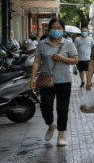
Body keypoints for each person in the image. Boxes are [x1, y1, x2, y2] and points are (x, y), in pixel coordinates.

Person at [29, 17, 79, 146]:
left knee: (62, 108)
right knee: (45, 106)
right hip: (46, 80)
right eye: (53, 28)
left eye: (59, 28)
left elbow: (75, 60)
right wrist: (33, 78)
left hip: (64, 81)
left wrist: (63, 58)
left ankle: (61, 135)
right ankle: (51, 125)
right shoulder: (42, 44)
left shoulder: (68, 44)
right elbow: (36, 62)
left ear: (63, 30)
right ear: (49, 29)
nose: (56, 30)